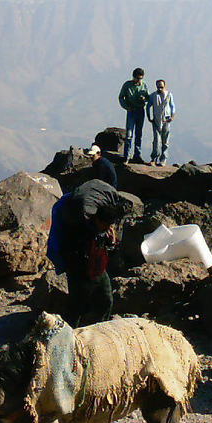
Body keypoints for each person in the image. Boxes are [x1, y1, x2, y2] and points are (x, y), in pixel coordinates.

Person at [47, 179, 126, 327]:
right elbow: (75, 252)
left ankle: (100, 330)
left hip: (97, 270)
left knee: (106, 299)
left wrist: (111, 241)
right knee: (77, 306)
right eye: (105, 225)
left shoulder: (100, 230)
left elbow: (105, 250)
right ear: (99, 219)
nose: (107, 228)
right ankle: (72, 334)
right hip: (80, 271)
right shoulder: (79, 227)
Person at [118, 67, 149, 163]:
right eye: (138, 78)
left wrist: (144, 98)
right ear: (134, 77)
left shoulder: (144, 85)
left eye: (141, 78)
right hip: (131, 111)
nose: (139, 80)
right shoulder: (127, 85)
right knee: (129, 134)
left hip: (140, 111)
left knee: (138, 134)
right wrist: (126, 107)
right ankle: (126, 155)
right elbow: (121, 97)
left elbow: (148, 98)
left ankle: (137, 155)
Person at [146, 79, 175, 166]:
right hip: (156, 120)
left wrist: (172, 116)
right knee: (156, 140)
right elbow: (148, 106)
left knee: (165, 141)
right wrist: (149, 117)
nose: (159, 89)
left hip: (166, 120)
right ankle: (154, 158)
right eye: (158, 87)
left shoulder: (169, 95)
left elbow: (172, 106)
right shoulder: (153, 95)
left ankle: (163, 159)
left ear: (164, 86)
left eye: (161, 87)